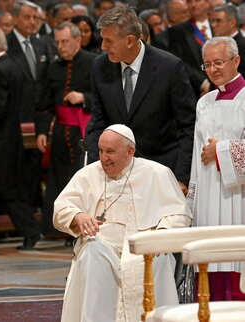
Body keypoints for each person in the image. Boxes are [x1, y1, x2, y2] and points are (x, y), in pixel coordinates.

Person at [53, 124, 193, 321]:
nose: (103, 158)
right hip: (102, 243)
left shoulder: (157, 173)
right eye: (101, 151)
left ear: (130, 151)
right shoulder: (87, 175)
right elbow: (61, 207)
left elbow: (180, 214)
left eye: (110, 151)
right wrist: (78, 216)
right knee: (91, 253)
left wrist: (161, 233)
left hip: (144, 244)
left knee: (157, 259)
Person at [86, 6, 196, 195]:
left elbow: (188, 126)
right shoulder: (99, 66)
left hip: (162, 171)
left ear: (130, 40)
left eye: (108, 41)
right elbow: (97, 123)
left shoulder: (169, 67)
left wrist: (181, 177)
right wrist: (98, 167)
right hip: (116, 174)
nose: (103, 47)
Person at [187, 36, 245, 301]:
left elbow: (213, 150)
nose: (213, 69)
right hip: (209, 196)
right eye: (207, 65)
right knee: (208, 264)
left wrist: (221, 151)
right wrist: (192, 200)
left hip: (238, 199)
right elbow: (196, 156)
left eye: (219, 62)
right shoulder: (204, 102)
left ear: (236, 61)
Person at [35, 22, 96, 236]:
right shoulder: (52, 67)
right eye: (58, 42)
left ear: (78, 41)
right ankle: (58, 229)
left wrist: (83, 98)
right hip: (61, 133)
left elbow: (103, 97)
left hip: (84, 132)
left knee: (82, 178)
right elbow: (44, 103)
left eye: (65, 42)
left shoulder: (93, 63)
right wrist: (42, 131)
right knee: (59, 180)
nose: (60, 47)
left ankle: (84, 225)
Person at [0, 26, 41, 250]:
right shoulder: (15, 65)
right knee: (12, 188)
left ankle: (30, 231)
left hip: (0, 141)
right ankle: (30, 231)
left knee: (7, 190)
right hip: (16, 138)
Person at [7, 1, 50, 209]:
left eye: (36, 18)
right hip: (13, 117)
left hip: (39, 116)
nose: (32, 22)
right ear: (15, 18)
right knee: (17, 167)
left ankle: (34, 209)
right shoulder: (5, 44)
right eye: (27, 17)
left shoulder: (43, 44)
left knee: (34, 164)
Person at [169, 0, 212, 97]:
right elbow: (178, 61)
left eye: (197, 0)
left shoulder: (219, 23)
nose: (193, 4)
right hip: (195, 91)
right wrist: (202, 83)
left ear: (207, 2)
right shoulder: (177, 30)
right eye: (189, 1)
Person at [210, 3, 245, 78]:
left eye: (218, 21)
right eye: (212, 21)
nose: (213, 25)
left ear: (232, 23)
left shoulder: (243, 46)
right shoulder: (214, 46)